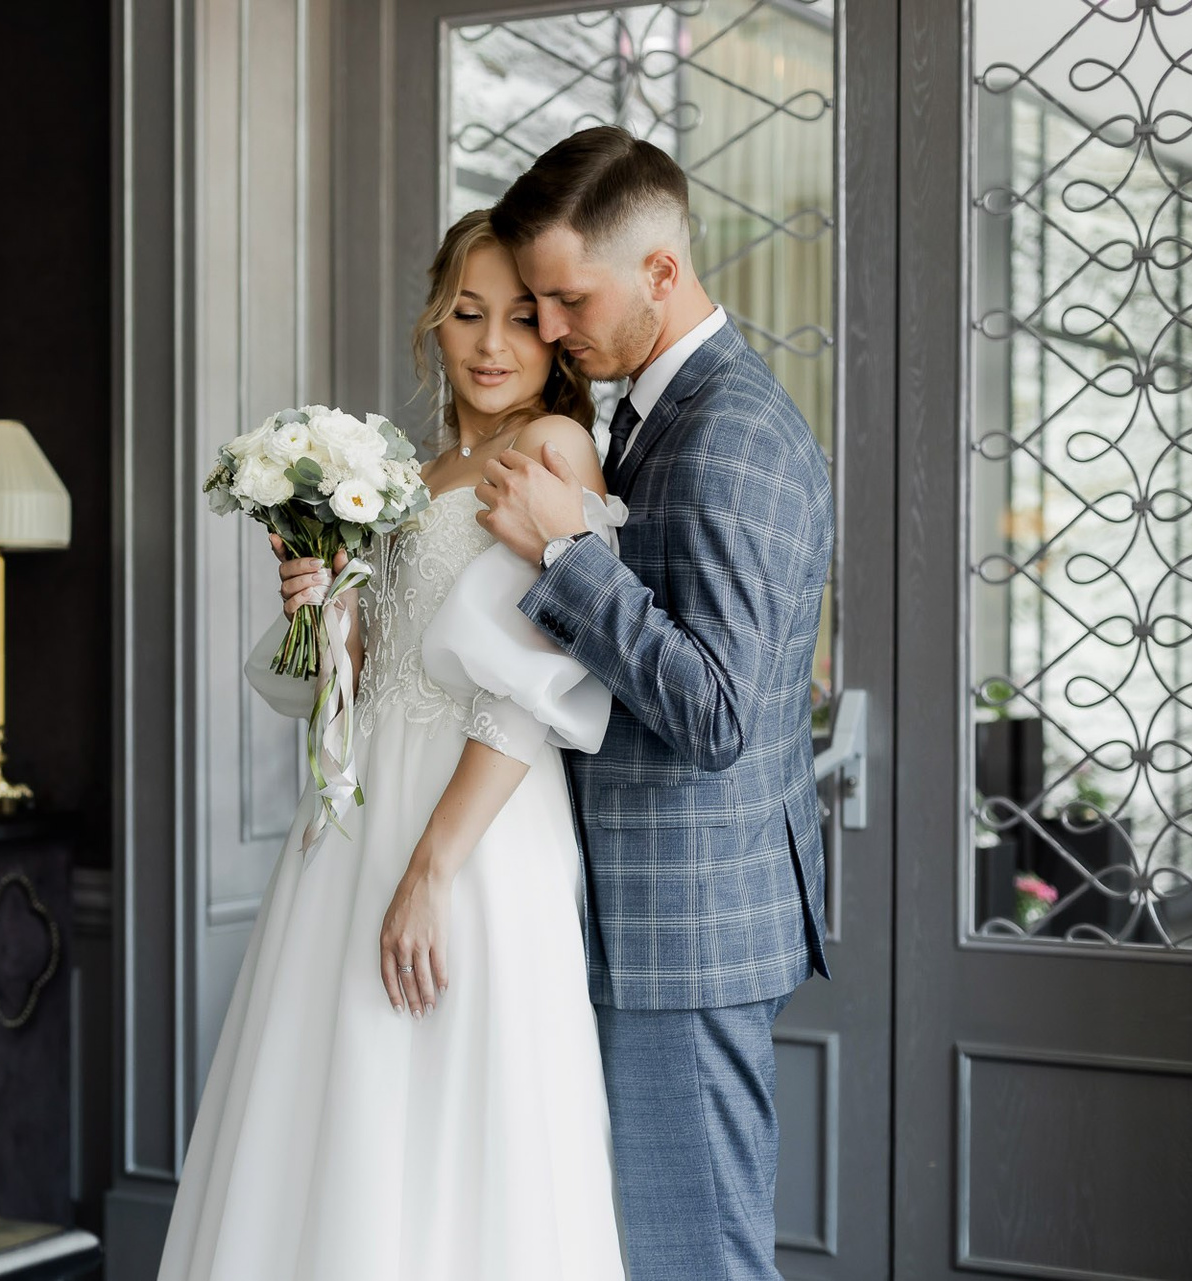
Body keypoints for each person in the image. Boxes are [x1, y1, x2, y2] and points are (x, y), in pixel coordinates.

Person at [158, 209, 627, 1280]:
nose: (492, 344)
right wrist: (321, 604)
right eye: (467, 313)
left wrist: (432, 869)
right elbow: (359, 682)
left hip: (475, 830)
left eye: (521, 317)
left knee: (461, 1102)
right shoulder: (410, 475)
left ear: (556, 332)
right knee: (341, 1106)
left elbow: (532, 686)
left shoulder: (554, 449)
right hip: (358, 811)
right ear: (434, 322)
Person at [475, 125, 833, 1281]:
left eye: (568, 299)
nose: (547, 329)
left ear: (662, 272)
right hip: (636, 915)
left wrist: (568, 556)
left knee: (699, 1262)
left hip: (686, 929)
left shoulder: (733, 434)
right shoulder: (647, 414)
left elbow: (720, 712)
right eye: (534, 300)